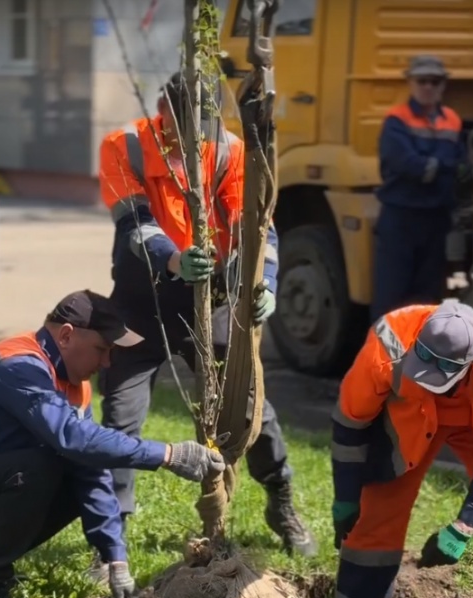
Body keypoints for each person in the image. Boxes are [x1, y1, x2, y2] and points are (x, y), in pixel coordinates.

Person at [92, 72, 317, 565]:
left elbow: (256, 229)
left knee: (247, 404)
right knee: (120, 420)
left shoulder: (231, 151)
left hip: (210, 300)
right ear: (161, 108)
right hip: (140, 303)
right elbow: (133, 223)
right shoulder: (125, 146)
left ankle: (280, 502)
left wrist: (264, 286)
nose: (192, 138)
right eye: (181, 123)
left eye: (203, 125)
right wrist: (174, 260)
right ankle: (111, 542)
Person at [0, 289, 226, 598]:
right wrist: (168, 454)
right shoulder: (18, 364)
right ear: (67, 335)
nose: (107, 363)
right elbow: (72, 438)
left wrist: (115, 554)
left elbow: (90, 466)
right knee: (41, 466)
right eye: (102, 349)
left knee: (69, 469)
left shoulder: (71, 382)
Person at [325, 300, 473, 598]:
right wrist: (346, 496)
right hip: (411, 420)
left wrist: (466, 525)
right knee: (373, 517)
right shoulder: (389, 342)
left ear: (469, 364)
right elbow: (351, 425)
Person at [371, 55, 466, 321]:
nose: (428, 87)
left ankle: (417, 358)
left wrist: (434, 167)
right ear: (411, 83)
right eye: (422, 81)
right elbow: (407, 164)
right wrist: (443, 168)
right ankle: (384, 360)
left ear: (443, 85)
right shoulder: (396, 120)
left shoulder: (453, 120)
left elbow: (461, 165)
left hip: (437, 219)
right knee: (391, 297)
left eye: (434, 81)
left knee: (426, 298)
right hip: (401, 218)